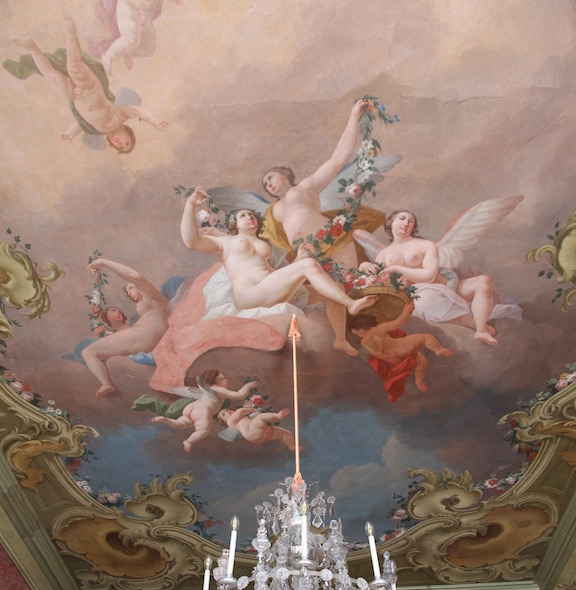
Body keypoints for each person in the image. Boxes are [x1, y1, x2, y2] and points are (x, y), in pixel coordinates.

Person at [181, 188, 378, 354]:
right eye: (243, 216)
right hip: (251, 294)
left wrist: (298, 260)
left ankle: (340, 339)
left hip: (269, 291)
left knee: (331, 289)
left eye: (251, 215)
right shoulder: (226, 242)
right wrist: (190, 205)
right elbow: (191, 242)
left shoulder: (263, 244)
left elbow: (275, 274)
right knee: (308, 265)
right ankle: (352, 304)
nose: (249, 217)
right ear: (235, 224)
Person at [261, 99, 387, 353]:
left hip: (332, 237)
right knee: (330, 289)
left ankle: (360, 332)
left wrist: (354, 115)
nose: (269, 185)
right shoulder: (273, 211)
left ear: (285, 174)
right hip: (306, 249)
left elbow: (338, 158)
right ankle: (339, 338)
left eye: (270, 178)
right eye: (265, 185)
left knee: (347, 283)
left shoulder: (304, 188)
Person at [5, 14, 169, 153]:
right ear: (129, 133)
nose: (121, 144)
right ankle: (71, 33)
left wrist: (70, 134)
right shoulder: (120, 117)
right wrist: (155, 122)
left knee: (52, 77)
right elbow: (137, 111)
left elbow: (81, 124)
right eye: (127, 143)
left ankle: (32, 48)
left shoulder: (97, 130)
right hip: (91, 89)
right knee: (73, 66)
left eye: (120, 147)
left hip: (76, 97)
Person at [355, 210, 505, 346]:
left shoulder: (426, 245)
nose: (406, 223)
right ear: (391, 223)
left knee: (483, 281)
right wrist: (363, 266)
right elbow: (378, 281)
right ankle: (474, 324)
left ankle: (481, 330)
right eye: (402, 218)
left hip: (445, 286)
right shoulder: (383, 254)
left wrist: (396, 269)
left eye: (411, 221)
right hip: (419, 294)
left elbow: (429, 276)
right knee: (425, 300)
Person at [82, 257, 169, 398]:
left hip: (141, 336)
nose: (129, 293)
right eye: (128, 292)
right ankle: (106, 384)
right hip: (145, 340)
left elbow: (135, 276)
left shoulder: (153, 297)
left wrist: (104, 262)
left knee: (88, 352)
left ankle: (106, 383)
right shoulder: (151, 305)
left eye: (131, 288)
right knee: (89, 352)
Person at [349, 301, 453, 401]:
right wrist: (407, 310)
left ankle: (419, 382)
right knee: (426, 338)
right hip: (403, 347)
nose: (358, 335)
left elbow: (377, 354)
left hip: (396, 356)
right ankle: (438, 350)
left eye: (357, 332)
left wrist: (390, 359)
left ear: (362, 327)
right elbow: (399, 322)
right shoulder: (378, 329)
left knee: (421, 361)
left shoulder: (364, 342)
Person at [151, 370, 256, 451]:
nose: (226, 380)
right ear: (214, 381)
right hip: (203, 411)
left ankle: (165, 419)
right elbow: (240, 395)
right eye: (222, 378)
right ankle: (189, 441)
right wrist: (248, 386)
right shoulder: (219, 389)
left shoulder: (206, 390)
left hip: (191, 407)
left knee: (182, 423)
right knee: (203, 431)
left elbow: (190, 391)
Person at [91, 0, 180, 78]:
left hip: (134, 11)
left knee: (137, 41)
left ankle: (126, 51)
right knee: (130, 39)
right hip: (127, 10)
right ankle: (108, 57)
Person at [217, 406, 295, 450]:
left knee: (286, 433)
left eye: (227, 410)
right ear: (224, 421)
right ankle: (278, 416)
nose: (227, 412)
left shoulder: (244, 417)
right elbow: (241, 411)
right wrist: (253, 409)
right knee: (260, 417)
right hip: (250, 432)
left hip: (260, 432)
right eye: (224, 414)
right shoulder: (230, 422)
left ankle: (292, 446)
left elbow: (246, 416)